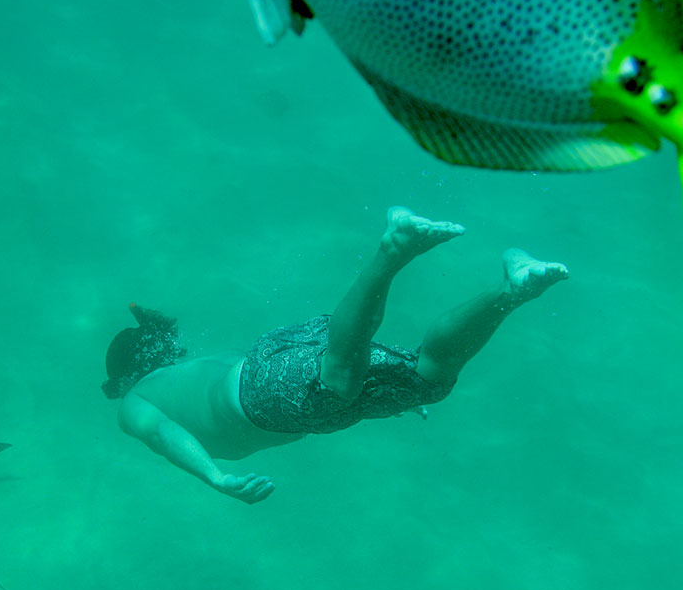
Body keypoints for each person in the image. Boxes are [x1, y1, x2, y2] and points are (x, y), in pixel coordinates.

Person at [103, 207, 568, 503]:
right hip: (277, 368)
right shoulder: (185, 369)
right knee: (429, 379)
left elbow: (163, 434)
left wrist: (214, 477)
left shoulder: (134, 401)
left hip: (263, 396)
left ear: (125, 375)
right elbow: (275, 355)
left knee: (336, 383)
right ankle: (513, 287)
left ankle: (394, 248)